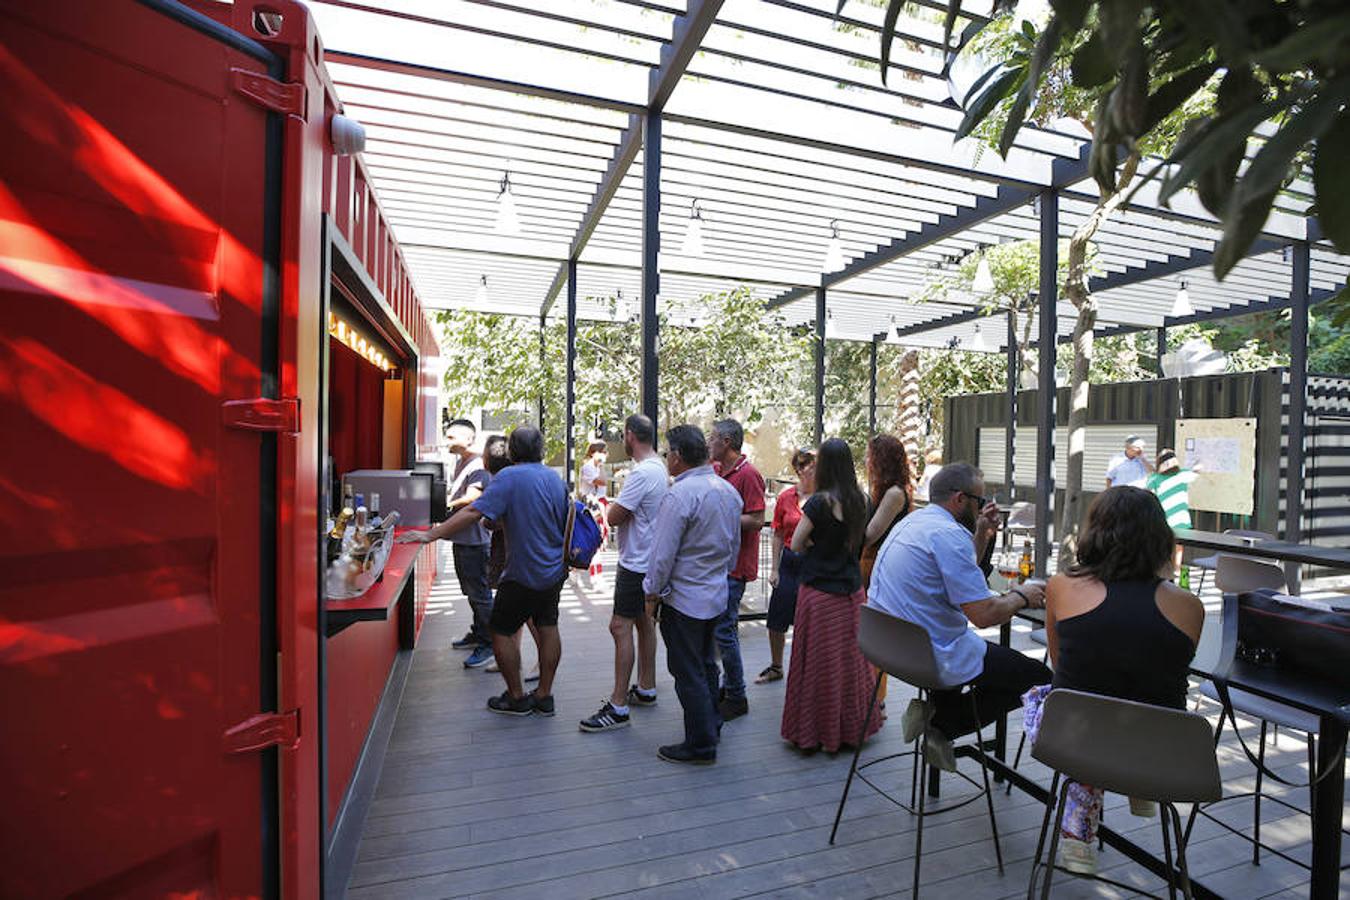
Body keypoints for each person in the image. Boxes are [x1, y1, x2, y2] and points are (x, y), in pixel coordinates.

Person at [1023, 486, 1203, 875]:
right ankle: (1139, 785)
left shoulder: (1061, 587)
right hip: (1160, 753)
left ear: (1096, 533)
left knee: (1062, 700)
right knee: (1135, 696)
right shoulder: (1190, 607)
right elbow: (1165, 674)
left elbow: (1062, 668)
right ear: (1160, 538)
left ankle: (1078, 830)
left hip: (1075, 744)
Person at [868, 462, 1049, 772]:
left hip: (888, 647)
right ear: (960, 499)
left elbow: (960, 568)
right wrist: (1022, 596)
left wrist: (981, 532)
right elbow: (983, 614)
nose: (981, 507)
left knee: (977, 664)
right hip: (928, 655)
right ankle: (942, 723)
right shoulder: (948, 534)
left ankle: (939, 713)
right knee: (1041, 680)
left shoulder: (915, 522)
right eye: (979, 501)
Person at [399, 426, 567, 717]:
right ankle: (544, 695)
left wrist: (431, 534)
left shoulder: (509, 477)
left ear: (513, 451)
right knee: (548, 627)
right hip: (553, 571)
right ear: (540, 449)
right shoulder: (554, 478)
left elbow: (474, 511)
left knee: (500, 630)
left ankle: (516, 697)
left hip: (522, 572)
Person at [643, 425, 743, 765]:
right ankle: (711, 724)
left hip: (684, 599)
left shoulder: (680, 495)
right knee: (706, 664)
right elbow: (733, 548)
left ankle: (700, 744)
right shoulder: (727, 491)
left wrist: (651, 592)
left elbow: (661, 554)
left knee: (687, 671)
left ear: (677, 456)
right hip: (715, 593)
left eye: (668, 452)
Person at [780, 438, 882, 752]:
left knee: (816, 665)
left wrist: (818, 546)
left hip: (819, 595)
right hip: (851, 594)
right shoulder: (860, 500)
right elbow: (862, 539)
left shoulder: (817, 503)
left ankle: (814, 734)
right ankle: (848, 731)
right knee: (849, 663)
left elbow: (796, 544)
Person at [580, 415, 668, 733]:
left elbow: (616, 517)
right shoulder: (659, 467)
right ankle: (646, 687)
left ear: (630, 436)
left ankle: (618, 706)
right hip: (650, 559)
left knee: (620, 626)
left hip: (635, 562)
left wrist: (605, 507)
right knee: (645, 622)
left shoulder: (641, 473)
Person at [707, 418, 766, 721]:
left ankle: (737, 694)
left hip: (735, 566)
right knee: (719, 631)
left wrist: (721, 515)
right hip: (718, 565)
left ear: (727, 442)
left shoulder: (749, 475)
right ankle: (726, 685)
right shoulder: (718, 471)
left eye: (713, 437)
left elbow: (756, 520)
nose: (709, 442)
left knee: (725, 631)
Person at [859, 434, 914, 706]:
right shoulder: (886, 490)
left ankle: (875, 700)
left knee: (875, 634)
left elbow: (870, 533)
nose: (867, 461)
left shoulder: (894, 494)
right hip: (871, 563)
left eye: (871, 456)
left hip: (876, 565)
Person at [480, 434, 540, 683]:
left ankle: (537, 660)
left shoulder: (506, 481)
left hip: (513, 552)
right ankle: (511, 656)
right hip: (512, 551)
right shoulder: (517, 478)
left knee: (526, 614)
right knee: (521, 613)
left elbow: (491, 520)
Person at [756, 448, 815, 684]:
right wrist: (773, 568)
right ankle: (776, 665)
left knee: (808, 619)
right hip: (790, 560)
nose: (805, 469)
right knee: (777, 616)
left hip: (813, 562)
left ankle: (805, 670)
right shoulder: (786, 497)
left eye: (809, 464)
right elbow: (778, 534)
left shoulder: (824, 497)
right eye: (801, 465)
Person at [443, 418, 495, 669]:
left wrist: (440, 504)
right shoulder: (461, 462)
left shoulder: (478, 465)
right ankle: (479, 632)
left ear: (469, 439)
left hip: (475, 541)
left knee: (480, 593)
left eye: (452, 437)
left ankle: (490, 643)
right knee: (472, 591)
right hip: (463, 537)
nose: (447, 441)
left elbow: (473, 498)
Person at [1146, 449, 1200, 577]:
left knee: (1162, 543)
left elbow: (1149, 492)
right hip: (1178, 517)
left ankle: (1163, 568)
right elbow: (1196, 471)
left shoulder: (1155, 478)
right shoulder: (1183, 474)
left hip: (1162, 516)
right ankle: (1176, 569)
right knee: (1178, 544)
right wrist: (1199, 460)